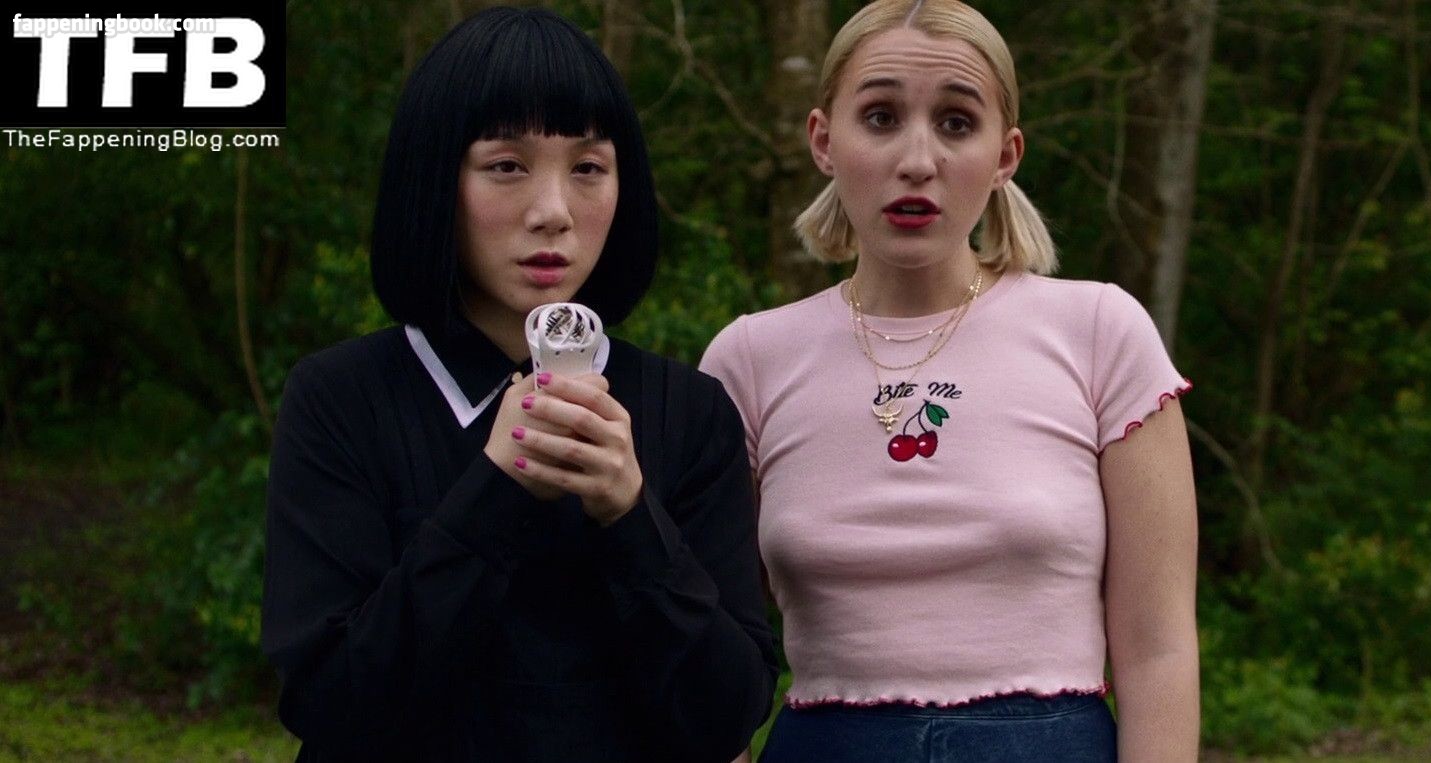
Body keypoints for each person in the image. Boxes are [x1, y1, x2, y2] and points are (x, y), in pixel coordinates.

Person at [261, 8, 775, 761]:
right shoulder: (340, 399)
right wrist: (496, 489)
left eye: (588, 168)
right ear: (435, 177)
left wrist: (630, 514)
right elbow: (331, 702)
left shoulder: (689, 413)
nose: (553, 212)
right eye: (506, 165)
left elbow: (726, 717)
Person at [699, 1, 1199, 760]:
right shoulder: (748, 359)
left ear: (1005, 154)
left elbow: (1159, 648)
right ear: (824, 140)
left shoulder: (1100, 332)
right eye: (880, 117)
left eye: (957, 123)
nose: (917, 159)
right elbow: (707, 649)